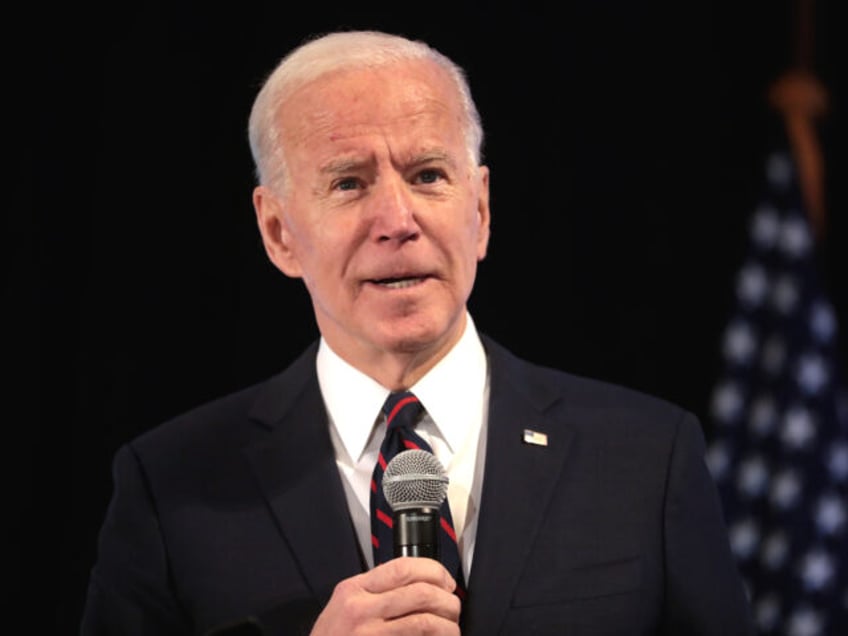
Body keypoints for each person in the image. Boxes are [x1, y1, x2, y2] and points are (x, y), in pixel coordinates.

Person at [81, 29, 755, 635]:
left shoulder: (645, 457)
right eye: (349, 184)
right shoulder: (172, 484)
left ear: (481, 210)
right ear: (278, 232)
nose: (397, 220)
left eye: (428, 175)